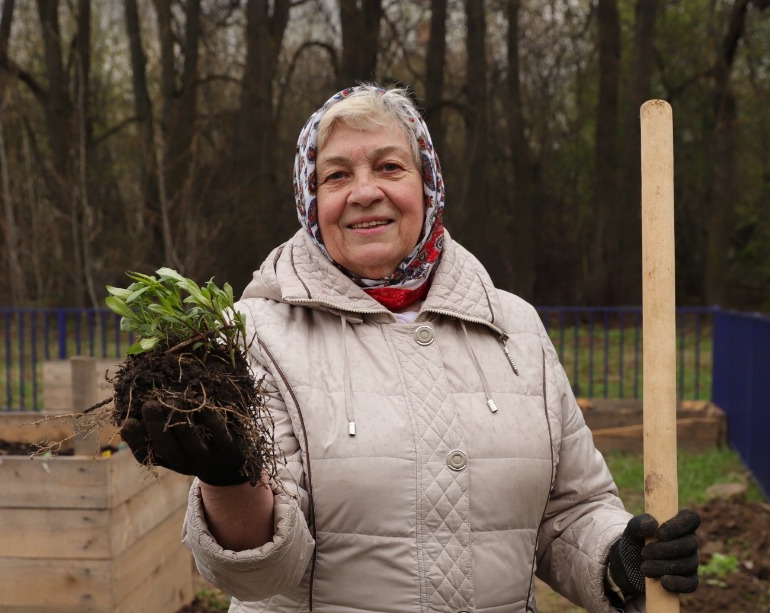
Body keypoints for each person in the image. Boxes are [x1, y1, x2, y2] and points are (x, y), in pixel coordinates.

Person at [118, 84, 700, 612]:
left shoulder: (514, 327)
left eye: (389, 167)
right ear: (309, 199)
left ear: (427, 186)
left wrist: (616, 559)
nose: (364, 192)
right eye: (336, 175)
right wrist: (230, 479)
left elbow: (569, 510)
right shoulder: (257, 335)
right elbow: (261, 575)